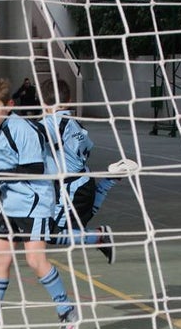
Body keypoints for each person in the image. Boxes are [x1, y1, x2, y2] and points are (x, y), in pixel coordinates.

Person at [0, 76, 79, 329]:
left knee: (34, 260)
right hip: (11, 201)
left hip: (35, 200)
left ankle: (67, 312)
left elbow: (35, 169)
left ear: (9, 105)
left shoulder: (21, 128)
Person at [37, 77, 136, 264]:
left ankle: (99, 236)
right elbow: (88, 147)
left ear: (42, 102)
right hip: (82, 181)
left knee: (48, 232)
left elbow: (32, 137)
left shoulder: (51, 123)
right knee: (77, 224)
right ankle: (109, 180)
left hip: (71, 187)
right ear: (68, 101)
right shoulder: (74, 123)